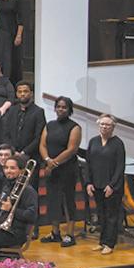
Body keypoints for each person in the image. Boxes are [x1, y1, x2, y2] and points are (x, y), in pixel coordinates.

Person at [39, 96, 82, 247]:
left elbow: (72, 149)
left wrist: (53, 163)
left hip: (67, 169)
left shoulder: (75, 127)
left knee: (68, 200)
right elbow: (42, 145)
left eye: (64, 107)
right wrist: (47, 160)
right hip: (52, 169)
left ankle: (70, 234)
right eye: (58, 107)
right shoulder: (50, 125)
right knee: (53, 200)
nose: (61, 109)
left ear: (69, 110)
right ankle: (55, 232)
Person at [84, 114, 126, 255]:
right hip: (97, 184)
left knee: (111, 216)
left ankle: (110, 243)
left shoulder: (118, 143)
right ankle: (102, 241)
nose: (104, 127)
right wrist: (88, 182)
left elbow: (120, 167)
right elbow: (88, 164)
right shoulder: (93, 141)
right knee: (101, 215)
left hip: (112, 187)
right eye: (102, 124)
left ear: (113, 127)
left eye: (107, 125)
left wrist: (112, 185)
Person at [1, 81, 46, 192]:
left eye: (25, 91)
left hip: (30, 156)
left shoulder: (38, 112)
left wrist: (23, 153)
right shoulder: (12, 110)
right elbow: (6, 133)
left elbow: (39, 137)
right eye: (20, 91)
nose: (22, 94)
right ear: (16, 94)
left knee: (30, 190)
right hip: (12, 156)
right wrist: (13, 151)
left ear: (31, 93)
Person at [0, 0, 25, 85]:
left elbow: (21, 18)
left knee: (13, 59)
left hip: (13, 32)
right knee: (1, 57)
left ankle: (14, 84)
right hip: (0, 32)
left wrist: (19, 35)